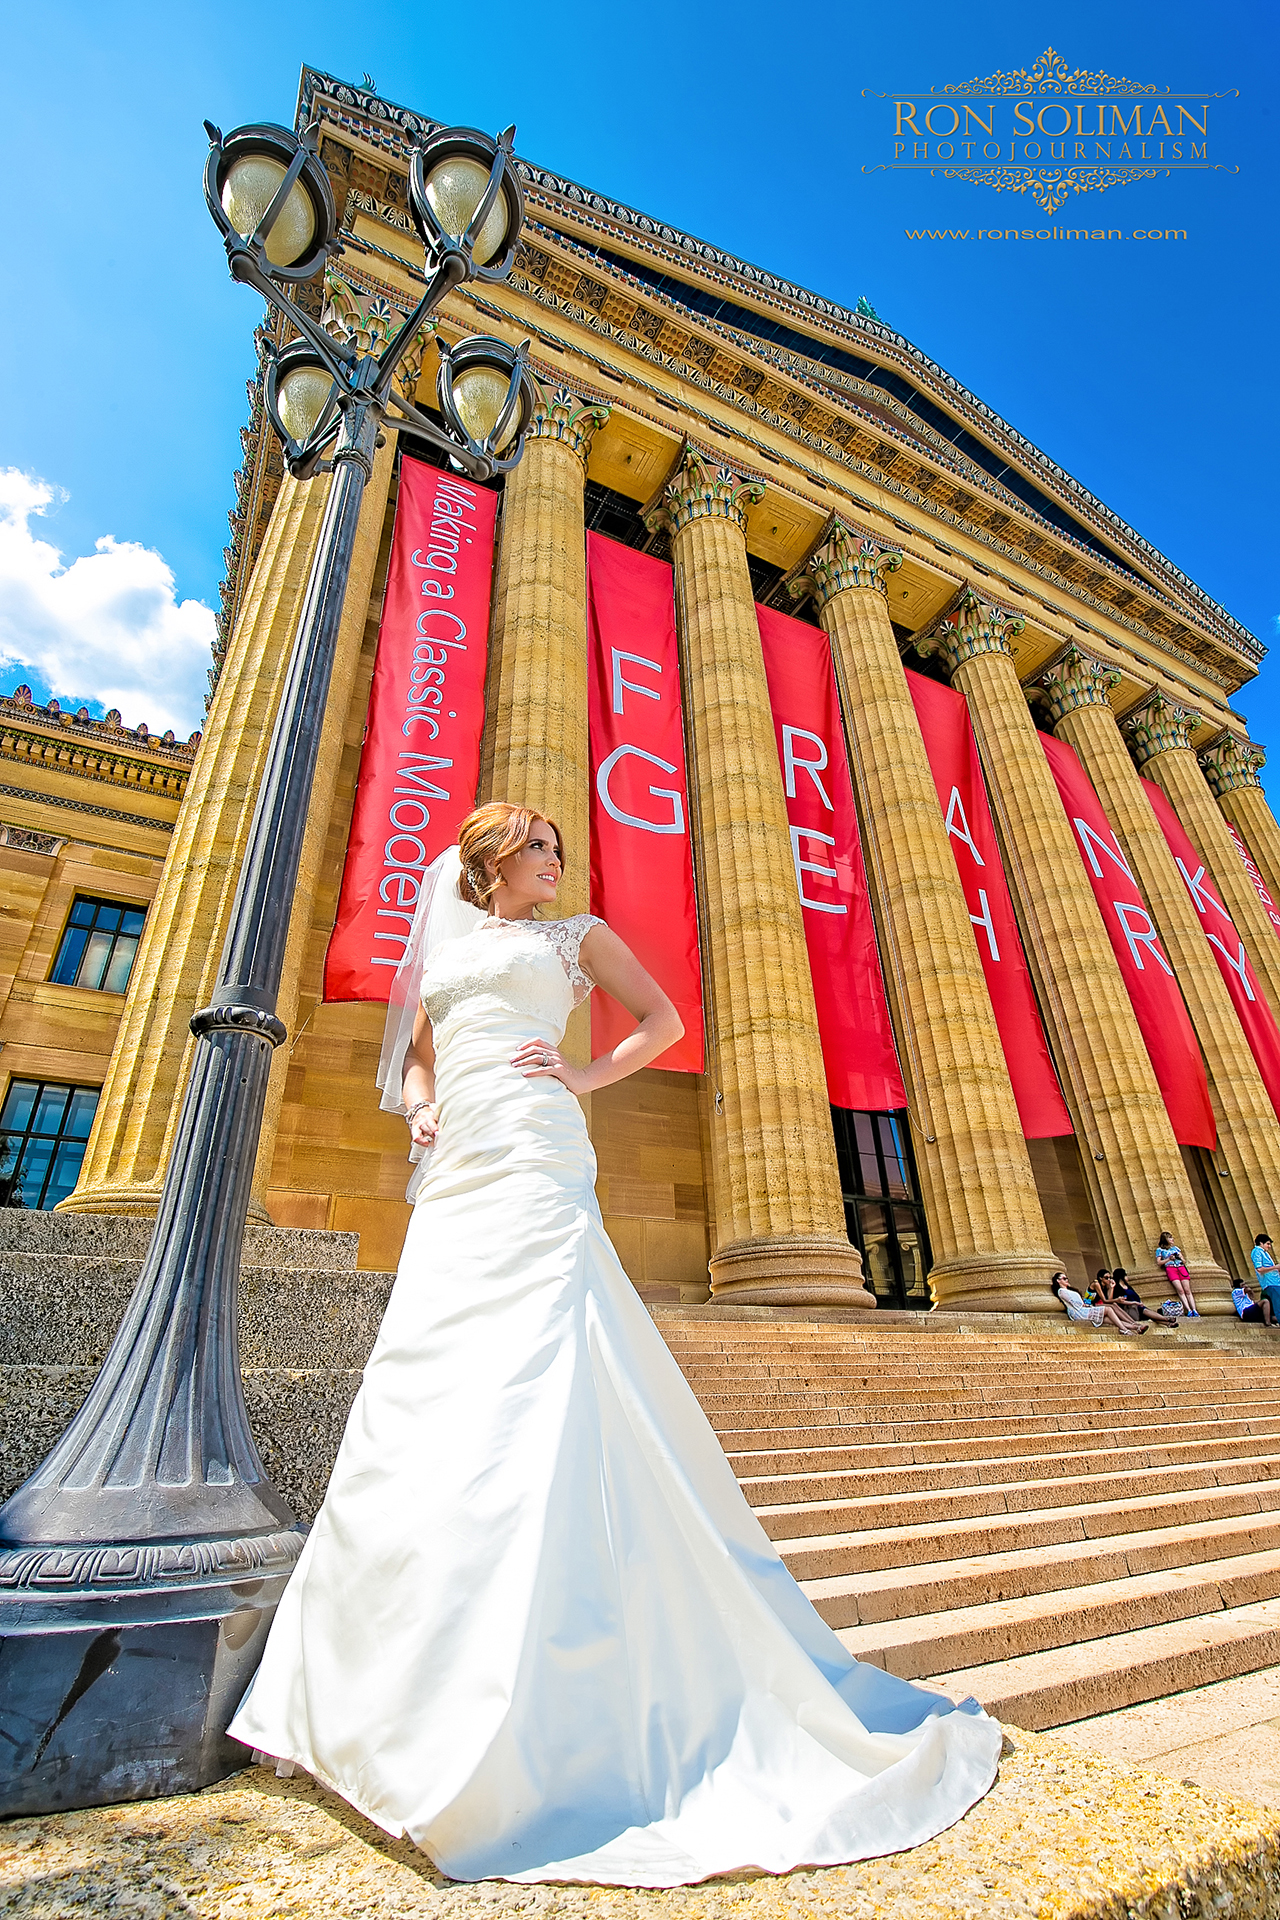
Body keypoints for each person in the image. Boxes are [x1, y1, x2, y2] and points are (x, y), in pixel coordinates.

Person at [229, 803, 1000, 1886]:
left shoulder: (575, 936)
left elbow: (662, 1021)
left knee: (543, 1342)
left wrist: (581, 1081)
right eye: (539, 849)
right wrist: (419, 1108)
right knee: (432, 1366)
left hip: (539, 1144)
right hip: (462, 1157)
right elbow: (414, 1052)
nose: (556, 862)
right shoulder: (446, 945)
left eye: (556, 850)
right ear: (493, 862)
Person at [1051, 1272, 1147, 1333]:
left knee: (1109, 1320)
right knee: (1109, 1309)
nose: (1066, 1280)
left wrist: (1111, 1287)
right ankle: (1125, 1329)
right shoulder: (1061, 1291)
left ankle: (1135, 1327)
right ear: (1058, 1281)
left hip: (1085, 1308)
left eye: (1066, 1278)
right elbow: (1075, 1303)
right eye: (1064, 1278)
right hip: (1079, 1312)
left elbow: (1107, 1298)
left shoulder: (1070, 1290)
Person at [1155, 1233, 1199, 1316]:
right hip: (1171, 1269)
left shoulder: (1176, 1248)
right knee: (1180, 1290)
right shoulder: (1160, 1250)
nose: (1172, 1239)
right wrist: (1169, 1259)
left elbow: (1184, 1261)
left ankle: (1194, 1310)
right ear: (1165, 1240)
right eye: (1170, 1238)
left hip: (1181, 1267)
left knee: (1187, 1290)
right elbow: (1159, 1263)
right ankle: (1188, 1310)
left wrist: (1180, 1257)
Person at [1251, 1234, 1280, 1321]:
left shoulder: (1264, 1252)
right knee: (1278, 1304)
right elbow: (1259, 1268)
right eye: (1267, 1244)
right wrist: (1275, 1267)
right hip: (1270, 1283)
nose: (1269, 1246)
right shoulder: (1257, 1251)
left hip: (1275, 1282)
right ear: (1261, 1243)